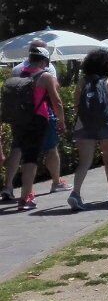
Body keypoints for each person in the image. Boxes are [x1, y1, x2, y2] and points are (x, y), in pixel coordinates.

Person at [3, 39, 70, 200]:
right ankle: (46, 186)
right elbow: (57, 100)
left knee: (17, 150)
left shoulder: (18, 70)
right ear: (44, 60)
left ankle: (8, 186)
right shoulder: (45, 74)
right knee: (46, 151)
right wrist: (61, 120)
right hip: (40, 117)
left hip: (19, 118)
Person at [67, 49, 108, 210]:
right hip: (107, 124)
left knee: (84, 162)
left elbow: (76, 105)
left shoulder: (82, 82)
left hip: (84, 125)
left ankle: (76, 193)